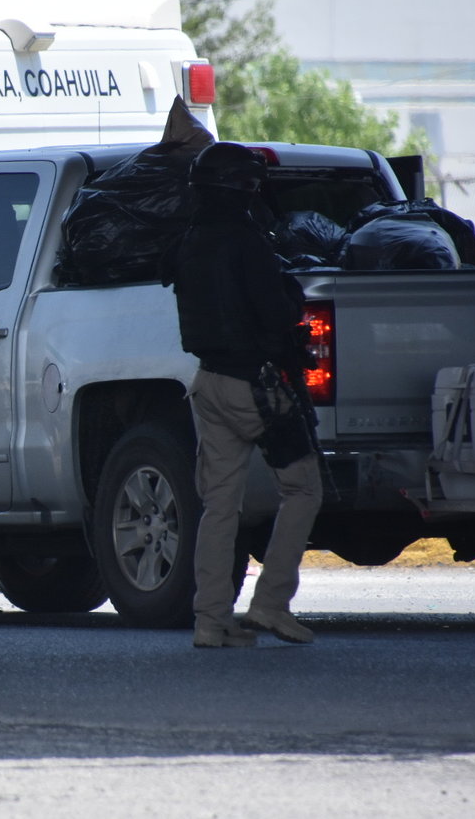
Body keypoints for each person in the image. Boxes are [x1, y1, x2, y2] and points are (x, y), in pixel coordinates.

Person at [160, 142, 323, 648]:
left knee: (220, 505)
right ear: (244, 190)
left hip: (208, 382)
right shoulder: (248, 243)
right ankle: (271, 604)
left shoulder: (189, 239)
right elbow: (276, 315)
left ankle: (210, 620)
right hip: (256, 386)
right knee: (304, 487)